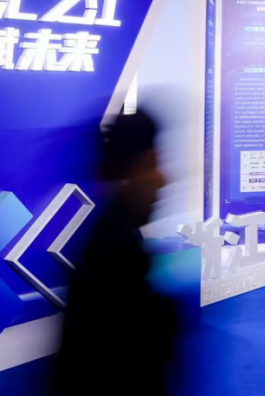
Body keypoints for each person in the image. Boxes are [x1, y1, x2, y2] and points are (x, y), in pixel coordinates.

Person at [53, 110, 177, 396]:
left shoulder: (113, 242)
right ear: (128, 172)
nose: (162, 179)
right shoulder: (114, 255)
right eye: (152, 164)